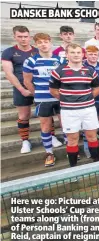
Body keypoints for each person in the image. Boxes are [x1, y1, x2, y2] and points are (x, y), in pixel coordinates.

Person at [49, 43, 99, 167]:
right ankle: (73, 169)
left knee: (92, 137)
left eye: (78, 52)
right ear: (67, 55)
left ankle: (97, 165)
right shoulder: (59, 71)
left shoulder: (90, 70)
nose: (76, 55)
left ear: (83, 55)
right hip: (69, 111)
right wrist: (67, 99)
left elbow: (97, 88)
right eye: (72, 52)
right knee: (72, 139)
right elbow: (53, 90)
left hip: (88, 109)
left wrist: (86, 98)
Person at [22, 33, 66, 167]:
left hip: (60, 98)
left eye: (45, 41)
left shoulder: (60, 60)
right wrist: (37, 94)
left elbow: (64, 78)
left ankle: (70, 150)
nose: (43, 44)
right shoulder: (31, 61)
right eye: (40, 42)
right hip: (43, 98)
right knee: (45, 126)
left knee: (65, 124)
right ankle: (49, 153)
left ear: (50, 43)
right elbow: (27, 81)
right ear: (36, 45)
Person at [1, 26, 39, 154]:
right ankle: (25, 141)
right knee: (24, 115)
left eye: (25, 36)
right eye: (20, 37)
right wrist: (22, 90)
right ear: (15, 37)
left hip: (38, 87)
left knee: (46, 112)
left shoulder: (37, 51)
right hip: (21, 87)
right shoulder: (8, 52)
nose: (23, 39)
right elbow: (9, 73)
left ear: (29, 37)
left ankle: (52, 135)